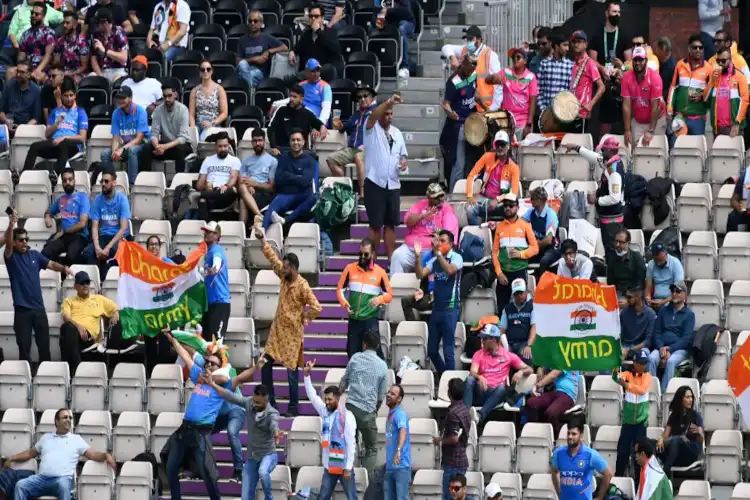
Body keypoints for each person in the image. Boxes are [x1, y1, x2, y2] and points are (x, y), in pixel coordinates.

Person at [255, 224, 322, 416]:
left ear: (292, 268)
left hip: (292, 335)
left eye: (285, 267)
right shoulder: (284, 277)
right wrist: (262, 239)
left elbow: (317, 306)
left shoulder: (302, 286)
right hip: (277, 333)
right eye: (283, 267)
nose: (282, 269)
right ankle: (272, 404)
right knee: (265, 365)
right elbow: (272, 257)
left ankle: (293, 407)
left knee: (292, 374)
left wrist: (305, 317)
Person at [162, 329, 231, 500]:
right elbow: (185, 355)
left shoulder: (222, 384)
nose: (208, 365)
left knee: (207, 473)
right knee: (170, 467)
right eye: (207, 362)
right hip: (185, 430)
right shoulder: (198, 374)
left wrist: (210, 378)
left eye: (212, 363)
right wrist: (172, 340)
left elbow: (225, 375)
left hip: (202, 433)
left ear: (219, 367)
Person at [203, 359, 285, 500]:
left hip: (268, 456)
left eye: (258, 403)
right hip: (252, 459)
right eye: (254, 400)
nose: (255, 404)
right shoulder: (249, 403)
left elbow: (274, 425)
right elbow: (230, 395)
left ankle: (269, 498)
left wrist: (276, 433)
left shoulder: (272, 413)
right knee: (245, 497)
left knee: (263, 472)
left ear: (266, 401)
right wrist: (212, 385)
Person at [5, 408, 114, 500]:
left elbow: (92, 454)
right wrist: (12, 458)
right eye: (65, 417)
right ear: (57, 421)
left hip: (62, 479)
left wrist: (106, 456)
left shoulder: (76, 439)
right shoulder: (46, 438)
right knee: (21, 485)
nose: (68, 420)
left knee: (63, 486)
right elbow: (30, 453)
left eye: (70, 418)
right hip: (41, 479)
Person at [4, 214, 72, 362]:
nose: (24, 242)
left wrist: (64, 268)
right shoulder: (11, 257)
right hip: (22, 311)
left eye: (26, 239)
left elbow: (52, 264)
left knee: (44, 348)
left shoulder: (35, 254)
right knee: (24, 349)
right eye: (21, 240)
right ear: (14, 242)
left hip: (39, 309)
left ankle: (45, 377)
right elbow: (7, 244)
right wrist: (11, 225)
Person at [302, 360, 357, 500]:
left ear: (338, 399)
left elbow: (351, 443)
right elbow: (312, 396)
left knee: (352, 497)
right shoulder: (325, 411)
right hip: (329, 465)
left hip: (344, 465)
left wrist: (349, 467)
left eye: (330, 400)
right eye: (325, 399)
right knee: (323, 497)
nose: (326, 402)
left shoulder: (348, 417)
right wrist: (307, 375)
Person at [562, 138, 624, 260]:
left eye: (603, 149)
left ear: (609, 151)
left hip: (612, 220)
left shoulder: (613, 170)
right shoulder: (610, 162)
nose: (600, 151)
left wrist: (595, 200)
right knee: (609, 250)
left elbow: (615, 198)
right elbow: (594, 157)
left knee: (612, 251)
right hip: (608, 217)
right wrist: (576, 147)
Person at [363, 93, 408, 261]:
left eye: (390, 114)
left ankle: (391, 259)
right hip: (374, 183)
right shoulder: (370, 128)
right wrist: (388, 101)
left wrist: (404, 162)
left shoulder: (397, 133)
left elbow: (403, 155)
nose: (388, 117)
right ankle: (371, 259)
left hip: (394, 184)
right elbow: (373, 115)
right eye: (385, 113)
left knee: (391, 224)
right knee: (375, 224)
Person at [339, 330, 387, 477]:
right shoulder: (382, 366)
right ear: (378, 346)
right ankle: (365, 481)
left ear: (364, 345)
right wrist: (374, 411)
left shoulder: (355, 358)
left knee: (349, 444)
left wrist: (338, 399)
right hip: (367, 412)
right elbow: (381, 396)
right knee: (371, 448)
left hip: (351, 408)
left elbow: (343, 383)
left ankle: (349, 477)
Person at [414, 229, 463, 376]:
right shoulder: (434, 260)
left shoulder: (456, 257)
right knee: (432, 351)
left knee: (448, 351)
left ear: (451, 244)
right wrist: (417, 257)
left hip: (451, 308)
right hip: (437, 309)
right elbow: (420, 274)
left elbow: (449, 270)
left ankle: (451, 382)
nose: (439, 243)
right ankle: (444, 377)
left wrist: (438, 253)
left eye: (443, 241)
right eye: (438, 240)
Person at [464, 322, 532, 424]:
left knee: (501, 388)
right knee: (470, 379)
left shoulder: (507, 355)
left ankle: (479, 417)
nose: (482, 341)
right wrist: (480, 377)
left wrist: (521, 372)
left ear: (494, 340)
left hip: (497, 393)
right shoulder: (478, 354)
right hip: (481, 390)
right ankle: (465, 416)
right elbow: (473, 371)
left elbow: (529, 369)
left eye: (485, 338)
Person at [23, 76, 87, 184]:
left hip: (72, 146)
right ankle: (24, 177)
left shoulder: (80, 112)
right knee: (34, 146)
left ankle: (56, 176)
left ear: (75, 96)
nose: (69, 98)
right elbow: (47, 133)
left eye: (71, 95)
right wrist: (56, 124)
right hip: (54, 143)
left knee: (64, 144)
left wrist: (64, 137)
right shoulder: (55, 111)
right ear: (61, 96)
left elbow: (82, 137)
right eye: (66, 96)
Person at [337, 238, 393, 358]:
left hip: (370, 320)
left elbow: (389, 295)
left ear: (373, 254)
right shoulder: (349, 269)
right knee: (352, 354)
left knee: (375, 354)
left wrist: (379, 300)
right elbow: (339, 290)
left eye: (366, 254)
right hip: (354, 320)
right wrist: (344, 303)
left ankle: (382, 374)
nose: (362, 256)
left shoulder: (380, 273)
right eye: (360, 253)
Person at [60, 270, 120, 373]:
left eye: (87, 283)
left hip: (88, 338)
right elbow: (66, 317)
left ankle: (71, 370)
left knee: (66, 334)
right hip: (74, 333)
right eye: (82, 283)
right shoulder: (69, 301)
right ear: (76, 286)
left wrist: (115, 314)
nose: (85, 286)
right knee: (67, 329)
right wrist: (78, 326)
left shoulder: (98, 299)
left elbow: (115, 308)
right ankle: (76, 368)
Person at [391, 183, 458, 274]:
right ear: (429, 197)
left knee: (427, 264)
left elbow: (449, 233)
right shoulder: (420, 205)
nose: (440, 199)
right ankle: (396, 287)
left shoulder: (446, 208)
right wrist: (423, 215)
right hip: (412, 247)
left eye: (441, 195)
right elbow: (408, 221)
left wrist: (437, 234)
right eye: (436, 197)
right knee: (397, 255)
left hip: (431, 250)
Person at [588, 0, 630, 136]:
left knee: (619, 123)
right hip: (602, 84)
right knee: (603, 124)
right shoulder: (597, 35)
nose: (617, 15)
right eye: (614, 12)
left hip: (619, 83)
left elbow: (629, 61)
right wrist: (602, 69)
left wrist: (620, 69)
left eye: (619, 12)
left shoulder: (624, 35)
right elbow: (592, 60)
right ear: (607, 13)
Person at [262, 130, 318, 229]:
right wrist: (298, 177)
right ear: (289, 142)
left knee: (314, 198)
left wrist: (287, 175)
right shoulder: (283, 158)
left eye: (298, 140)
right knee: (272, 209)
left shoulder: (311, 161)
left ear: (303, 142)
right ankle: (262, 234)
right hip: (285, 194)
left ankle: (285, 220)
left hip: (302, 195)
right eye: (293, 140)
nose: (296, 142)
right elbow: (279, 180)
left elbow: (305, 181)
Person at [328, 85, 377, 197]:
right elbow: (347, 127)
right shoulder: (357, 113)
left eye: (365, 96)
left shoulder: (376, 112)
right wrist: (340, 125)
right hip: (352, 149)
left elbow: (381, 133)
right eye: (359, 97)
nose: (362, 99)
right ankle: (346, 189)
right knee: (331, 159)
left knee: (359, 158)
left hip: (368, 149)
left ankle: (363, 195)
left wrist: (367, 145)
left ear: (372, 97)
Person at [492, 193, 538, 309]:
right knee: (502, 308)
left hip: (519, 271)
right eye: (505, 205)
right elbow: (495, 252)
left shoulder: (525, 226)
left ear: (517, 207)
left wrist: (521, 254)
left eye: (511, 205)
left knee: (521, 306)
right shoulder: (500, 227)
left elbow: (535, 248)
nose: (507, 208)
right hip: (503, 273)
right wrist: (499, 273)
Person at [82, 169, 131, 278]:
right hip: (103, 236)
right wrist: (97, 247)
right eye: (102, 182)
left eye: (106, 181)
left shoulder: (122, 199)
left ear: (114, 183)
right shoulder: (98, 199)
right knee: (88, 253)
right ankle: (95, 282)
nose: (103, 184)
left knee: (113, 252)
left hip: (118, 238)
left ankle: (109, 282)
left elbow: (123, 229)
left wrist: (108, 248)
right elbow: (94, 226)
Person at [465, 130, 521, 226]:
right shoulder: (487, 157)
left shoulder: (514, 167)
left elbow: (513, 193)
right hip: (485, 200)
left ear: (508, 147)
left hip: (504, 204)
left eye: (502, 144)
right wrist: (469, 195)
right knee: (469, 209)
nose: (499, 147)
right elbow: (471, 176)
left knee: (516, 212)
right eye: (497, 144)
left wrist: (497, 200)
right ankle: (476, 236)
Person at [441, 25, 502, 112]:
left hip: (485, 107)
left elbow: (498, 85)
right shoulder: (464, 50)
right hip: (467, 107)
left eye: (471, 39)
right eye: (467, 39)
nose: (468, 42)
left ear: (479, 39)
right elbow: (446, 47)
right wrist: (452, 57)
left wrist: (494, 108)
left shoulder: (490, 55)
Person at [648, 281, 695, 392]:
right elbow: (657, 332)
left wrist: (670, 349)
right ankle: (651, 392)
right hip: (662, 347)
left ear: (684, 295)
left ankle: (664, 393)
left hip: (679, 350)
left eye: (678, 291)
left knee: (672, 361)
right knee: (651, 358)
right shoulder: (663, 311)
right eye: (673, 291)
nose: (674, 293)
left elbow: (686, 338)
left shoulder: (689, 314)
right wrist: (661, 347)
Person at [551, 417, 613, 500]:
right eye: (568, 433)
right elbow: (554, 472)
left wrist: (600, 497)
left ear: (581, 436)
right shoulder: (558, 453)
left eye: (573, 434)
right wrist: (559, 494)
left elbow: (608, 473)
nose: (569, 437)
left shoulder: (590, 455)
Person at [615, 349, 652, 481]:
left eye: (645, 363)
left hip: (641, 423)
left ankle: (639, 484)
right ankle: (617, 481)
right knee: (622, 454)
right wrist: (615, 364)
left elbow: (642, 390)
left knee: (639, 457)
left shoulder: (647, 376)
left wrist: (625, 384)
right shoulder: (628, 374)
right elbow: (616, 377)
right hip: (628, 422)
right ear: (635, 363)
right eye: (641, 363)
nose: (643, 366)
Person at [100, 86, 150, 185]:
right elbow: (116, 137)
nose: (120, 100)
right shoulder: (116, 113)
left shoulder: (140, 111)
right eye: (119, 98)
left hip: (143, 146)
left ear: (131, 98)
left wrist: (122, 149)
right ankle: (110, 181)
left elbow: (139, 139)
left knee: (132, 150)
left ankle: (132, 184)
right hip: (126, 146)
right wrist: (115, 151)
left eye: (124, 98)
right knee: (105, 154)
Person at [441, 55, 477, 191]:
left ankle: (468, 193)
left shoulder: (473, 75)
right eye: (469, 69)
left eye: (474, 69)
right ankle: (454, 195)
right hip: (459, 126)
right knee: (459, 164)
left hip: (473, 125)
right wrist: (450, 113)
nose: (471, 72)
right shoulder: (454, 81)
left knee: (471, 164)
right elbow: (446, 104)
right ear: (464, 64)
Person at [141, 83, 195, 174]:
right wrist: (157, 146)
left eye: (169, 96)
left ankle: (179, 182)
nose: (167, 99)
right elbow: (154, 134)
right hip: (164, 145)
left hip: (180, 144)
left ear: (175, 94)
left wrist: (164, 147)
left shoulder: (183, 109)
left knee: (179, 151)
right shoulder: (158, 110)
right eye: (165, 96)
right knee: (146, 148)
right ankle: (146, 178)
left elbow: (182, 138)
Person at [432, 378, 471, 500]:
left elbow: (454, 438)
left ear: (449, 393)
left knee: (450, 496)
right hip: (461, 460)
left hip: (453, 462)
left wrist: (441, 441)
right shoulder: (465, 409)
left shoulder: (453, 413)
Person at [42, 167, 89, 265]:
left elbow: (82, 224)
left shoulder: (83, 197)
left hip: (80, 236)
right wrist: (47, 217)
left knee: (71, 256)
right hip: (65, 237)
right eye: (65, 180)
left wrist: (64, 231)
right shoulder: (61, 200)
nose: (67, 182)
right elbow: (48, 211)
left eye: (70, 179)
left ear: (74, 181)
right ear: (62, 183)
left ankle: (65, 276)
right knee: (46, 252)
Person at [667, 34, 712, 136]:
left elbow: (711, 92)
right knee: (677, 148)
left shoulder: (709, 68)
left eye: (700, 48)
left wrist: (701, 96)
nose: (697, 50)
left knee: (695, 149)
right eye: (694, 47)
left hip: (698, 118)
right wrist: (669, 108)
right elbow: (673, 87)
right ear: (689, 48)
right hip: (680, 117)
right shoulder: (680, 65)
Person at [489, 47, 538, 140]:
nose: (515, 59)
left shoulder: (531, 77)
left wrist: (529, 124)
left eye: (518, 57)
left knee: (521, 152)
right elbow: (488, 80)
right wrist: (493, 78)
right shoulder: (506, 72)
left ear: (525, 61)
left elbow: (533, 102)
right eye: (513, 57)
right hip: (506, 121)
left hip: (522, 123)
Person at [622, 46, 667, 147]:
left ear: (646, 61)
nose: (638, 63)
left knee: (655, 152)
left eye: (641, 60)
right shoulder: (626, 77)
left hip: (657, 120)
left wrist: (651, 131)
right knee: (636, 152)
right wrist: (627, 130)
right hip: (638, 121)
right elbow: (626, 106)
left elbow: (655, 107)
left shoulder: (655, 77)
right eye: (635, 60)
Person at [656, 385, 704, 475]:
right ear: (680, 399)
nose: (691, 400)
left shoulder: (696, 415)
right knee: (650, 443)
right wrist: (661, 439)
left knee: (677, 440)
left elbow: (701, 441)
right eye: (687, 397)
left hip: (689, 454)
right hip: (675, 455)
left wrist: (699, 433)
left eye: (691, 397)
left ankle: (665, 473)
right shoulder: (674, 416)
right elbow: (665, 436)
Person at [703, 46, 749, 137]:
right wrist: (711, 82)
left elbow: (745, 101)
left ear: (730, 60)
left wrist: (737, 123)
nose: (720, 64)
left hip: (733, 127)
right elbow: (705, 98)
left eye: (723, 61)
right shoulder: (715, 77)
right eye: (718, 61)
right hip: (717, 128)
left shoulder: (739, 76)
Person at [288, 4, 343, 78]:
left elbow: (336, 49)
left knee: (328, 68)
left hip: (325, 73)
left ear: (322, 18)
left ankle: (296, 78)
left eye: (316, 16)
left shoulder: (331, 32)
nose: (313, 19)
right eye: (311, 16)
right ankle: (298, 78)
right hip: (309, 74)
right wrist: (292, 51)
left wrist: (318, 31)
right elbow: (297, 47)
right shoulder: (307, 34)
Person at [195, 132, 240, 221]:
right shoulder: (208, 160)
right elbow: (199, 185)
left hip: (226, 194)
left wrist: (226, 186)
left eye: (225, 146)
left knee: (232, 190)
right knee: (202, 201)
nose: (223, 149)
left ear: (228, 146)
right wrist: (206, 186)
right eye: (220, 146)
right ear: (215, 146)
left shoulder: (234, 160)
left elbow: (234, 178)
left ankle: (198, 195)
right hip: (211, 193)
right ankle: (204, 229)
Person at [236, 11, 287, 88]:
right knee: (243, 65)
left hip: (260, 72)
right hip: (245, 69)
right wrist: (254, 59)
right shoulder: (242, 40)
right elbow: (238, 61)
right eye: (250, 21)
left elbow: (285, 48)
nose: (252, 23)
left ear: (261, 23)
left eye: (255, 21)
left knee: (246, 76)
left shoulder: (266, 38)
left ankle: (247, 92)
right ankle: (250, 92)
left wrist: (269, 51)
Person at [268, 84, 326, 152]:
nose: (292, 99)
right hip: (283, 150)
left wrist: (322, 126)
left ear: (301, 99)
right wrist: (273, 147)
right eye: (291, 96)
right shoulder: (281, 110)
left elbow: (318, 124)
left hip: (301, 151)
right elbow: (270, 129)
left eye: (295, 97)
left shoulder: (307, 113)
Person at [238, 128, 277, 226]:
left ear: (264, 141)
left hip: (264, 194)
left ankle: (242, 230)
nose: (258, 143)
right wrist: (249, 186)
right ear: (252, 142)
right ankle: (258, 216)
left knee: (243, 200)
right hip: (249, 191)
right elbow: (242, 180)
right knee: (242, 188)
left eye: (260, 140)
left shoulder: (272, 161)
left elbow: (271, 187)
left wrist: (255, 184)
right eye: (255, 141)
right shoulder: (246, 161)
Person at [526, 370, 581, 437]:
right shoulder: (556, 362)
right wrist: (541, 369)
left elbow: (553, 375)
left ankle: (556, 438)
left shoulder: (567, 360)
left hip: (568, 395)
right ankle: (534, 434)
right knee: (531, 403)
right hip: (554, 393)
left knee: (550, 413)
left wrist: (537, 386)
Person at [200, 221, 231, 340]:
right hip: (211, 302)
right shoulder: (208, 252)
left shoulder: (216, 249)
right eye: (205, 231)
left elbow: (216, 266)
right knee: (207, 342)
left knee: (215, 344)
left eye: (209, 232)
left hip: (219, 302)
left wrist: (212, 269)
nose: (206, 234)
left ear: (217, 235)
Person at [570, 30, 605, 129]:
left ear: (585, 44)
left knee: (579, 143)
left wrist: (590, 104)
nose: (576, 44)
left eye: (579, 41)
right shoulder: (573, 63)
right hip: (570, 111)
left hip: (581, 113)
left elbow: (602, 87)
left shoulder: (589, 63)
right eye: (574, 42)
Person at [188, 60, 229, 140]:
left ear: (212, 71)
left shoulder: (219, 89)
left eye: (208, 69)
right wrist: (193, 129)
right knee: (191, 137)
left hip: (214, 123)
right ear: (200, 73)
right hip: (198, 124)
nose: (205, 71)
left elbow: (224, 113)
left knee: (203, 137)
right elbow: (191, 114)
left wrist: (212, 123)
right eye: (202, 70)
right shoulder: (194, 91)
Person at [522, 187, 559, 275]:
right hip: (537, 247)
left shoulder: (551, 214)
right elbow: (519, 223)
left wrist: (534, 247)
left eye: (532, 199)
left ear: (539, 200)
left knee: (544, 262)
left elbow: (548, 240)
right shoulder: (531, 212)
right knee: (520, 258)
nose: (530, 201)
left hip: (552, 248)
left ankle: (540, 284)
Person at [383, 384, 411, 500]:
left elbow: (403, 431)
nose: (388, 395)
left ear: (399, 399)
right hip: (390, 467)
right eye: (388, 392)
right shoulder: (391, 414)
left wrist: (398, 450)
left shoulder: (399, 414)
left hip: (401, 466)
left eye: (392, 394)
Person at [0, 60, 42, 137]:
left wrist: (21, 129)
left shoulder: (36, 91)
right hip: (7, 125)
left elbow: (36, 118)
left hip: (26, 127)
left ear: (29, 74)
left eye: (22, 72)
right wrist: (5, 121)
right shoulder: (10, 85)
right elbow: (1, 110)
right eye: (17, 71)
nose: (18, 74)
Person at [18, 2, 57, 83]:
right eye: (32, 13)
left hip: (43, 68)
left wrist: (37, 70)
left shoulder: (49, 33)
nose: (33, 16)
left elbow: (48, 55)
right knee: (10, 72)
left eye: (37, 14)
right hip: (27, 67)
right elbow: (22, 54)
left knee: (37, 76)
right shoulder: (26, 33)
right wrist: (20, 68)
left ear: (43, 16)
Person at [499, 278, 535, 364]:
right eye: (516, 293)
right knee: (501, 358)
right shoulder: (507, 309)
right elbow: (502, 331)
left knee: (527, 356)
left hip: (524, 343)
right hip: (509, 343)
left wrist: (529, 345)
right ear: (513, 295)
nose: (519, 296)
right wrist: (501, 346)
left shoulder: (533, 306)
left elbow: (534, 327)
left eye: (521, 292)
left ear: (526, 292)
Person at [537, 34, 574, 116]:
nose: (567, 49)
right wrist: (543, 110)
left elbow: (572, 91)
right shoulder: (544, 64)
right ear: (557, 46)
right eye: (565, 45)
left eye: (568, 45)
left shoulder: (570, 65)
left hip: (564, 113)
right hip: (547, 114)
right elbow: (539, 89)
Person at [89, 9, 130, 82]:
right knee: (91, 77)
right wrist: (100, 74)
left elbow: (124, 58)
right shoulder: (96, 34)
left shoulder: (118, 32)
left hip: (118, 71)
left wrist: (105, 51)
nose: (96, 25)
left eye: (97, 23)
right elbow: (93, 59)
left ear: (105, 23)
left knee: (117, 80)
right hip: (102, 71)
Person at [607, 230, 646, 300]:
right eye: (616, 241)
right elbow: (610, 282)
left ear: (628, 243)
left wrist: (630, 299)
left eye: (621, 242)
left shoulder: (637, 257)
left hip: (634, 294)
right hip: (617, 293)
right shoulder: (612, 258)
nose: (617, 245)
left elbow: (640, 283)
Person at [645, 242, 685, 309]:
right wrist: (648, 298)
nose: (658, 263)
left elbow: (679, 289)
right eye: (656, 260)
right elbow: (648, 286)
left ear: (666, 254)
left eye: (660, 260)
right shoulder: (651, 264)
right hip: (655, 300)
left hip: (672, 300)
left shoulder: (675, 263)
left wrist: (663, 302)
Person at [53, 11, 90, 82]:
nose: (64, 25)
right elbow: (56, 62)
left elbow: (84, 67)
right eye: (64, 23)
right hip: (62, 72)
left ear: (75, 25)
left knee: (73, 80)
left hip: (77, 73)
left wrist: (71, 73)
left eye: (67, 23)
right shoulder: (59, 41)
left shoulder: (82, 42)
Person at [620, 289, 656, 358]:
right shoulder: (624, 312)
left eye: (629, 297)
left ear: (638, 297)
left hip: (641, 347)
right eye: (626, 297)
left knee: (642, 355)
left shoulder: (650, 314)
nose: (626, 300)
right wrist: (620, 348)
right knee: (610, 357)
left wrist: (629, 350)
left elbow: (648, 341)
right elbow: (619, 334)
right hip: (625, 346)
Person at [300, 58, 333, 123]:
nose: (316, 74)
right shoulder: (301, 85)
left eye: (318, 71)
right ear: (306, 72)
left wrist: (319, 125)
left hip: (316, 122)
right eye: (313, 71)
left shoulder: (325, 87)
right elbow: (292, 100)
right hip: (301, 119)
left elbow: (326, 109)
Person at [653, 37, 677, 101]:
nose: (655, 52)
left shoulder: (672, 67)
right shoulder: (662, 63)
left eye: (657, 49)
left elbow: (669, 90)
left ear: (663, 50)